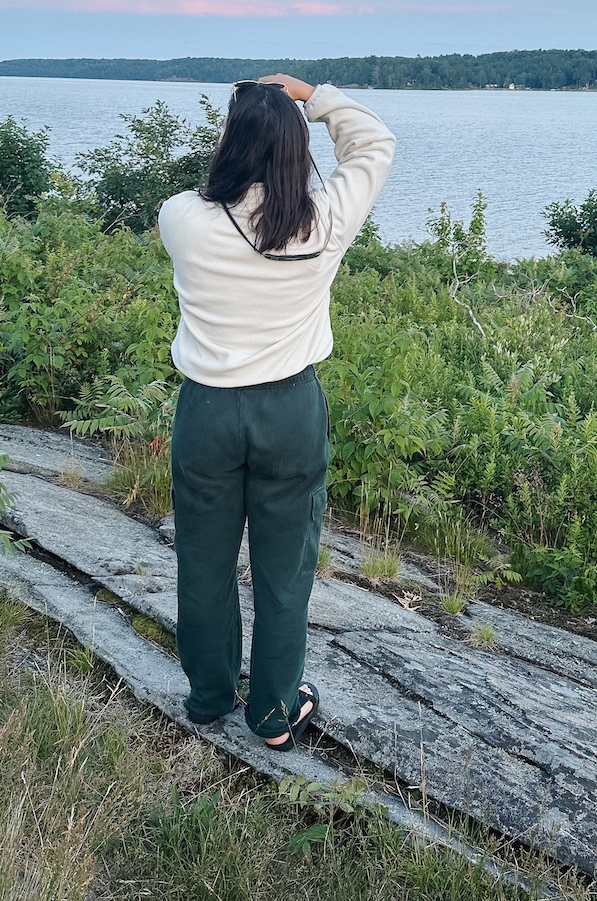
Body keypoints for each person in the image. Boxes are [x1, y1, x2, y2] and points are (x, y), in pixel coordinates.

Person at [158, 74, 395, 747]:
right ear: (296, 150)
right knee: (284, 569)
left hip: (206, 411)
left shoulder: (182, 218)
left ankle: (208, 696)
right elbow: (374, 144)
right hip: (290, 408)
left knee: (203, 561)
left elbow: (216, 201)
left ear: (231, 144)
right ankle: (272, 711)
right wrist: (311, 94)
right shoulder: (324, 220)